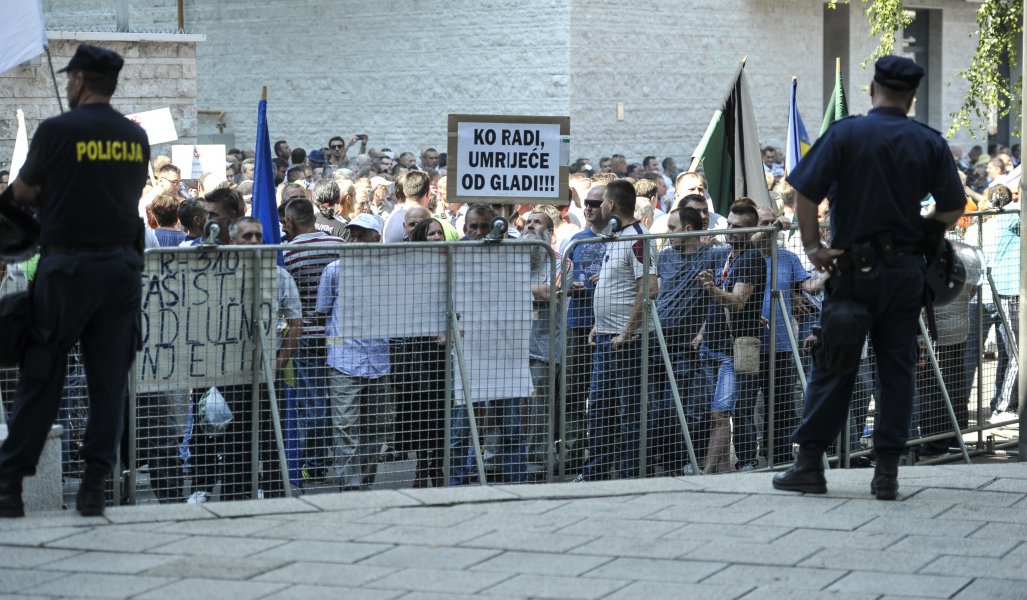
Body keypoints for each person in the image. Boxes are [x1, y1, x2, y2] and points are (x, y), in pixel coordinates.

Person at [773, 56, 965, 500]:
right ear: (912, 97)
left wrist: (812, 246)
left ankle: (809, 465)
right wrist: (923, 231)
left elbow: (805, 192)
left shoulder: (845, 133)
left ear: (872, 89)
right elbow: (953, 207)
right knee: (897, 370)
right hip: (905, 274)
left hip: (853, 272)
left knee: (836, 361)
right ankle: (887, 474)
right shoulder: (928, 142)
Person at [0, 44, 149, 518]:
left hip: (67, 271)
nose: (67, 84)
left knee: (42, 375)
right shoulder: (135, 137)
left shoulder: (56, 131)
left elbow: (22, 192)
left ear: (81, 81)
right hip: (121, 272)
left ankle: (8, 487)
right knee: (108, 383)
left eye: (70, 79)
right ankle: (93, 486)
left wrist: (50, 191)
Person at [575, 179, 658, 481]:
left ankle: (632, 473)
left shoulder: (637, 237)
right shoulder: (618, 237)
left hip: (627, 341)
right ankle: (595, 472)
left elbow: (649, 288)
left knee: (629, 410)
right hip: (608, 338)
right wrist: (600, 324)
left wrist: (626, 331)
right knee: (600, 407)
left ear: (611, 204)